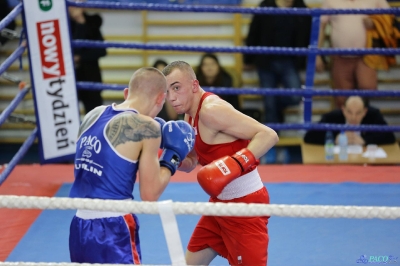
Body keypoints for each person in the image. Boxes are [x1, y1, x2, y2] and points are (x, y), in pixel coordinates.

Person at [68, 67, 195, 264]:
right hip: (114, 225)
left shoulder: (93, 114)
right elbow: (150, 195)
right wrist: (173, 156)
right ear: (161, 99)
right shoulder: (146, 127)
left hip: (79, 224)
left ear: (126, 93)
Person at [162, 61, 279, 265]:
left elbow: (268, 135)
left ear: (194, 85)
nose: (171, 97)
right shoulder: (188, 116)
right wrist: (171, 156)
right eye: (167, 91)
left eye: (177, 88)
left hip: (245, 207)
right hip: (219, 206)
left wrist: (236, 163)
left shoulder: (211, 110)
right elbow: (192, 161)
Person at [244, 0, 311, 124]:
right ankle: (272, 141)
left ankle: (276, 108)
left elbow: (307, 36)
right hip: (266, 61)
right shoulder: (265, 6)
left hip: (290, 61)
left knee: (295, 96)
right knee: (269, 102)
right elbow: (254, 31)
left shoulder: (301, 8)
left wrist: (304, 60)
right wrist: (248, 58)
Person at [315, 0, 391, 108]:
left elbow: (390, 17)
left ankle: (363, 119)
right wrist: (317, 53)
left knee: (368, 88)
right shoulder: (330, 1)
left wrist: (375, 22)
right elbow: (320, 26)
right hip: (340, 56)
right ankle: (346, 123)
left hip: (367, 56)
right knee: (342, 98)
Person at [303, 96, 396, 145]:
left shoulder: (373, 116)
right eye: (349, 112)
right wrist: (335, 139)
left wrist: (365, 141)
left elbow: (390, 137)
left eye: (358, 113)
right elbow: (309, 137)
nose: (353, 117)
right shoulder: (332, 117)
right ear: (343, 110)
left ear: (365, 111)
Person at [68, 6, 107, 114]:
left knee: (95, 115)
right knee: (68, 116)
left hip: (90, 77)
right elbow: (73, 50)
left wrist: (80, 58)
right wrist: (80, 24)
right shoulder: (61, 24)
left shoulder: (93, 22)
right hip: (68, 79)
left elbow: (102, 50)